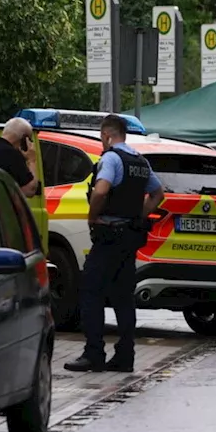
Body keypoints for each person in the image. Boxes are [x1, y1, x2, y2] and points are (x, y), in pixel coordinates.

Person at [65, 115, 164, 373]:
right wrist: (138, 215)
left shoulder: (111, 158)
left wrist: (92, 217)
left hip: (109, 235)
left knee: (91, 291)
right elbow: (158, 193)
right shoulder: (140, 162)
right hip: (130, 237)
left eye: (102, 137)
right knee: (123, 297)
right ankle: (125, 355)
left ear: (107, 135)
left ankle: (93, 354)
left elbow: (100, 191)